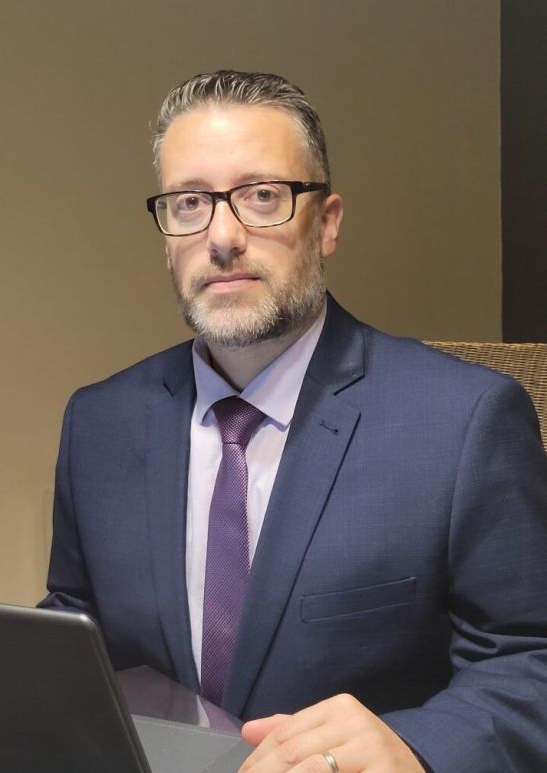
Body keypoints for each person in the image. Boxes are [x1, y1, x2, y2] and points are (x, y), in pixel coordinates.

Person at [40, 70, 547, 772]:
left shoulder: (464, 421)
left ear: (327, 223)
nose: (222, 236)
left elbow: (529, 659)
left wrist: (418, 747)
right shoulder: (99, 423)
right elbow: (76, 640)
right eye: (190, 203)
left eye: (261, 196)